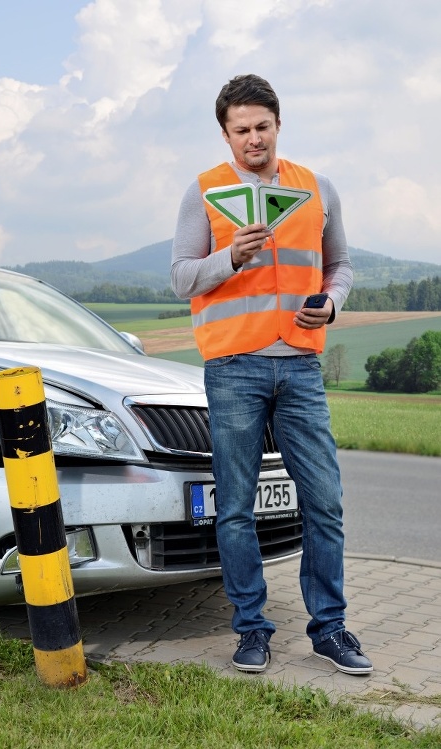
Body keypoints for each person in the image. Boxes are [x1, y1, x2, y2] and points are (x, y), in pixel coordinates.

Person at [171, 74, 373, 675]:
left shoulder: (317, 188)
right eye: (242, 130)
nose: (253, 139)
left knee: (325, 503)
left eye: (263, 127)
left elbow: (339, 267)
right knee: (235, 507)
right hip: (233, 367)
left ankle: (329, 629)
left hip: (301, 366)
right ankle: (252, 628)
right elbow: (181, 277)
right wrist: (230, 256)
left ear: (279, 125)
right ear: (225, 133)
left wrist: (332, 304)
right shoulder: (205, 192)